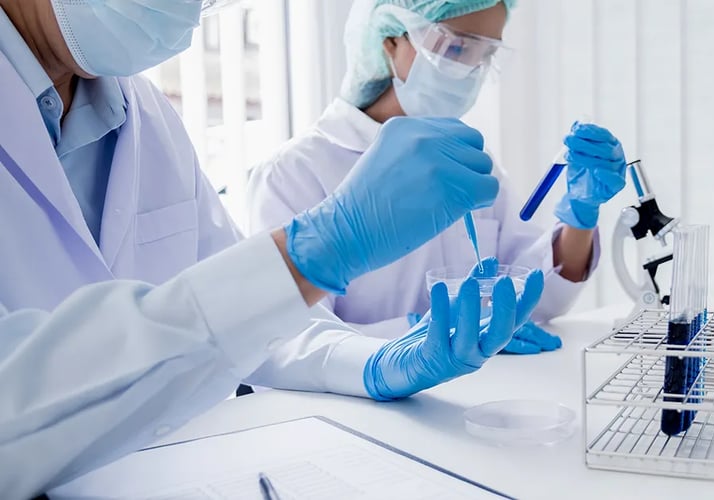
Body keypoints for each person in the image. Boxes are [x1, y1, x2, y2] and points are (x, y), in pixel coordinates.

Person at [0, 1, 540, 497]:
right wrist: (318, 250)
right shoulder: (295, 165)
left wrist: (372, 362)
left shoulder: (142, 112)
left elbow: (248, 318)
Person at [247, 0, 627, 354]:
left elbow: (531, 299)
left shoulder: (469, 159)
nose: (472, 70)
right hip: (352, 402)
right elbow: (293, 343)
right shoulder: (294, 173)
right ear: (390, 40)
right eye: (457, 47)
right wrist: (425, 332)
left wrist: (580, 215)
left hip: (477, 391)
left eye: (486, 54)